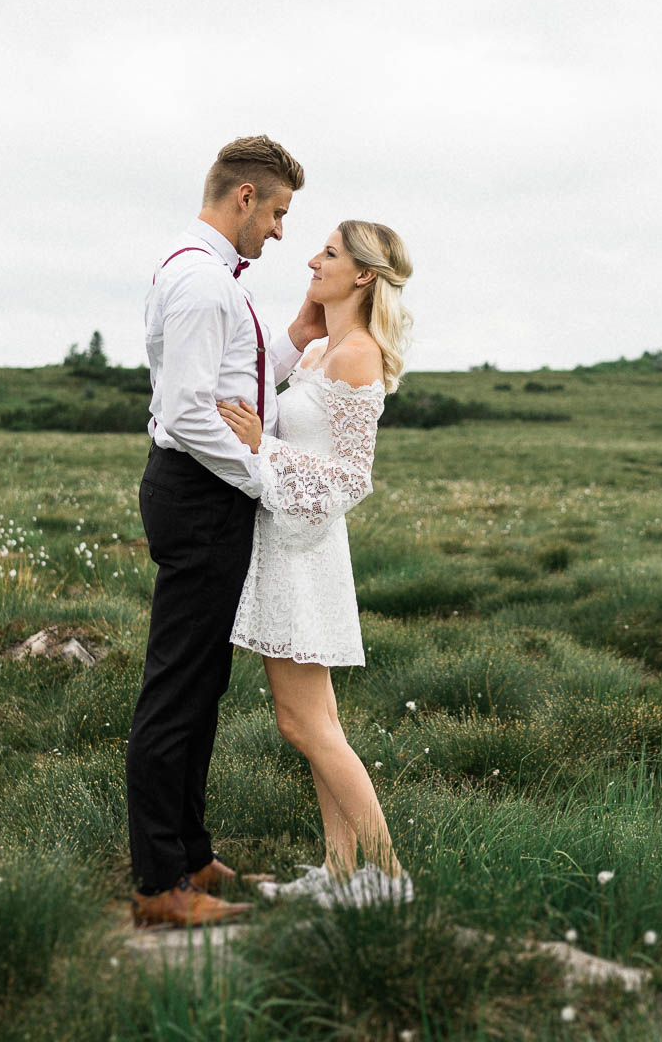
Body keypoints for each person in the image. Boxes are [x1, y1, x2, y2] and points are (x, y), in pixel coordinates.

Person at [127, 135, 327, 929]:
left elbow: (227, 390)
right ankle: (157, 886)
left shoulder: (201, 274)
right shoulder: (205, 286)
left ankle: (190, 852)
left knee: (202, 682)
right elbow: (188, 416)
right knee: (177, 688)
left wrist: (295, 335)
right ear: (244, 198)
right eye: (278, 212)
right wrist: (263, 473)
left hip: (201, 492)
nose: (281, 231)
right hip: (201, 495)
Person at [214, 218, 415, 908]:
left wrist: (262, 449)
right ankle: (339, 874)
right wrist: (301, 334)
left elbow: (352, 477)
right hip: (286, 547)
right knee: (314, 721)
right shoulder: (322, 350)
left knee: (305, 725)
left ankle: (388, 879)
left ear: (363, 274)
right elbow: (281, 426)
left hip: (307, 555)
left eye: (327, 254)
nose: (310, 260)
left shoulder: (358, 355)